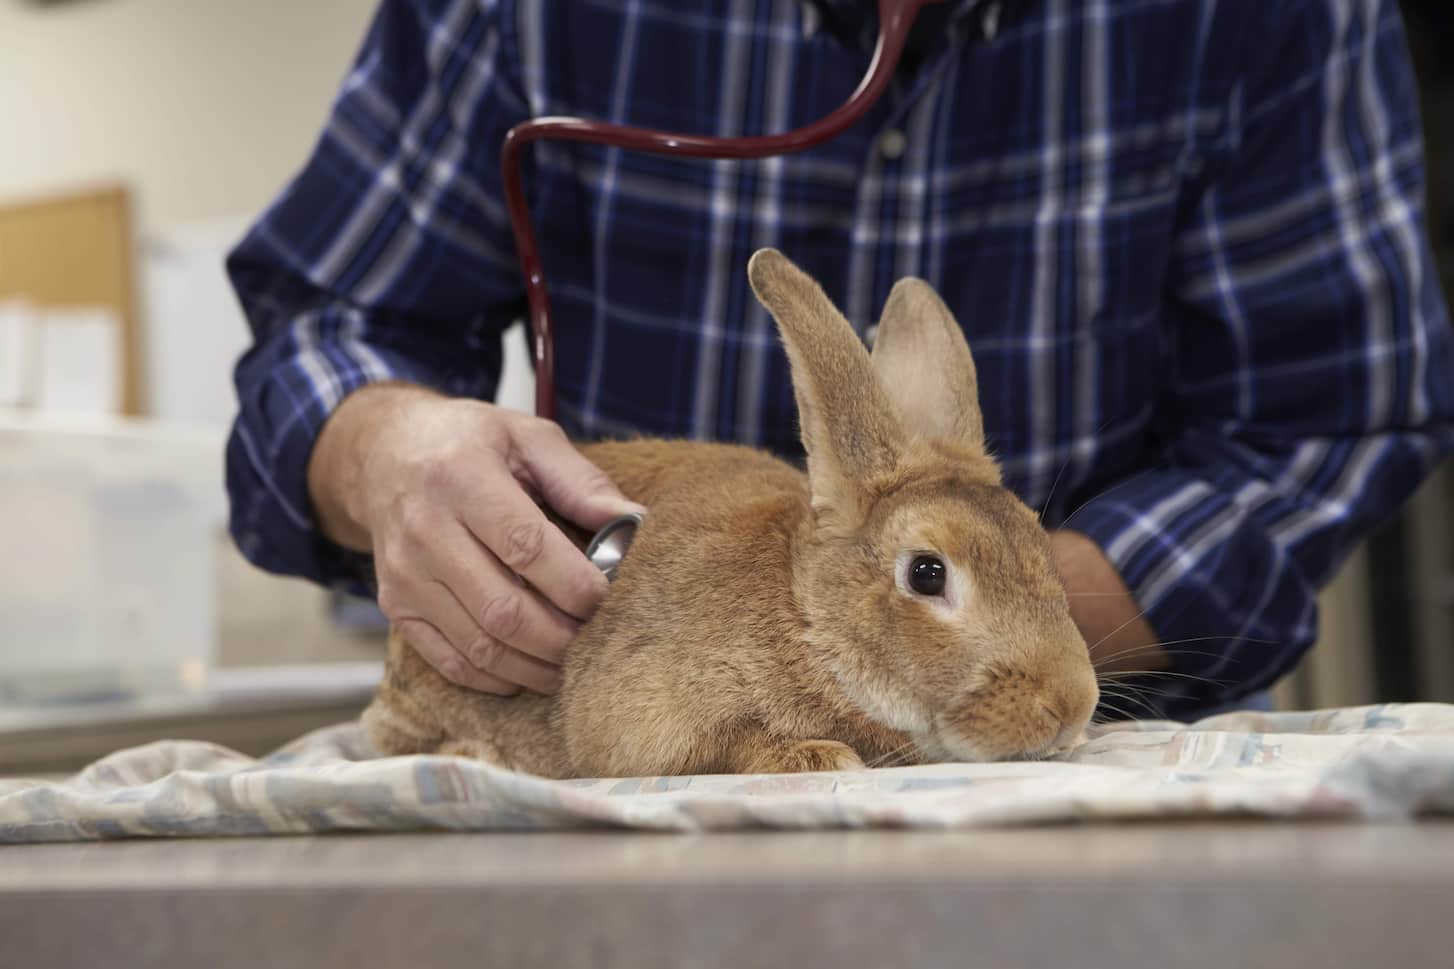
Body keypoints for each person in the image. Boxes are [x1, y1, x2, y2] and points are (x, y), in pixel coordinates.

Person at [226, 0, 1454, 720]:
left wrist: (978, 657)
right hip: (630, 760)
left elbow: (1330, 417)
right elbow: (325, 331)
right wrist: (386, 451)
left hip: (1048, 790)